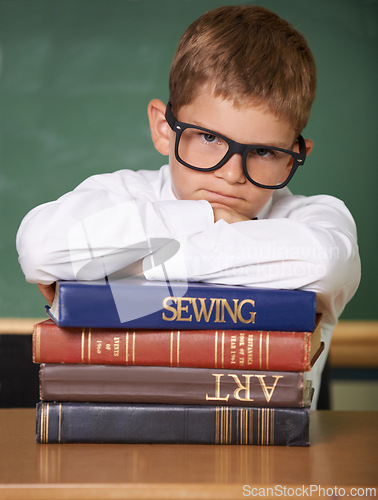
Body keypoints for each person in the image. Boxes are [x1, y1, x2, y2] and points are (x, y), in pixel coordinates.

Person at [16, 5, 360, 408]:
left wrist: (121, 269)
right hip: (120, 446)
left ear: (292, 158)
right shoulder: (121, 193)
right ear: (164, 129)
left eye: (264, 151)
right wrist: (207, 215)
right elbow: (41, 247)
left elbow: (322, 263)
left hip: (265, 453)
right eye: (210, 139)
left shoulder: (314, 220)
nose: (233, 175)